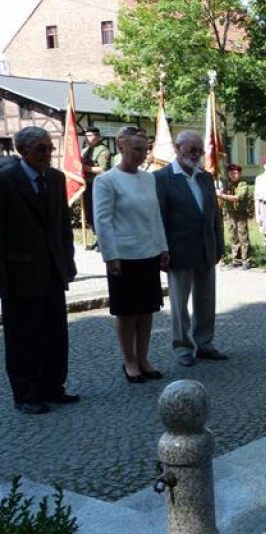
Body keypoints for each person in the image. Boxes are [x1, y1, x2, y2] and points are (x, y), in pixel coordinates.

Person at [0, 127, 80, 414]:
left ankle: (52, 387)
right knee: (23, 338)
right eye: (40, 149)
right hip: (19, 274)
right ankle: (26, 394)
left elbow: (62, 227)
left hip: (52, 271)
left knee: (55, 334)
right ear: (23, 151)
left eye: (49, 148)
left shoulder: (57, 179)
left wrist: (68, 263)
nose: (47, 154)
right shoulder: (6, 181)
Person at [93, 127, 170, 383]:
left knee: (147, 310)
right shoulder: (106, 180)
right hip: (123, 257)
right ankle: (129, 361)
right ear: (121, 147)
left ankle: (144, 357)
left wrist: (163, 247)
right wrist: (110, 255)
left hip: (148, 252)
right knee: (127, 313)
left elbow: (156, 216)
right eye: (136, 149)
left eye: (145, 150)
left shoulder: (149, 178)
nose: (141, 155)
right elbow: (103, 221)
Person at [154, 130, 227, 367]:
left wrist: (219, 244)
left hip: (206, 247)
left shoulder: (205, 177)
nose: (196, 155)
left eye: (199, 150)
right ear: (177, 148)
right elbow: (160, 218)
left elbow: (215, 215)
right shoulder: (162, 178)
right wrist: (162, 250)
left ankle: (205, 343)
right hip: (179, 250)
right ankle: (183, 347)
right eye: (191, 150)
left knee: (206, 300)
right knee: (179, 304)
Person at [81, 125, 111, 250]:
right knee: (89, 214)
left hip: (97, 185)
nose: (87, 138)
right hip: (86, 185)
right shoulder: (85, 150)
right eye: (86, 135)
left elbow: (102, 170)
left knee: (98, 213)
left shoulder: (103, 150)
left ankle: (103, 240)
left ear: (97, 137)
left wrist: (85, 167)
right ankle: (97, 237)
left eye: (90, 135)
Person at [218, 163, 252, 269]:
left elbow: (237, 197)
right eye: (231, 173)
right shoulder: (227, 185)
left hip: (240, 212)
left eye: (235, 173)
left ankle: (247, 260)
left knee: (243, 236)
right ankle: (236, 260)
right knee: (233, 236)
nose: (233, 175)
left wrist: (222, 195)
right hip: (230, 213)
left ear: (240, 173)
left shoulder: (243, 184)